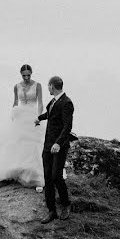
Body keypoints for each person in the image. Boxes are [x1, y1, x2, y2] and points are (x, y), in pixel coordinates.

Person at [0, 64, 45, 186]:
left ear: (31, 74)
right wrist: (13, 115)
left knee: (33, 144)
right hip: (20, 116)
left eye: (28, 75)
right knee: (17, 143)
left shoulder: (37, 86)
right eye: (24, 75)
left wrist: (39, 117)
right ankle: (18, 170)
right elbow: (15, 102)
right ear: (21, 75)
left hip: (33, 116)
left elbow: (40, 104)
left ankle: (33, 174)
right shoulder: (17, 86)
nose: (26, 78)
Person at [36, 76, 74, 223]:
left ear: (52, 86)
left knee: (56, 176)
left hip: (59, 147)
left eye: (48, 86)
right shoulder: (53, 102)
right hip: (47, 145)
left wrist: (58, 143)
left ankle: (65, 204)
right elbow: (50, 115)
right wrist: (39, 118)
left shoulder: (67, 102)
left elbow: (67, 126)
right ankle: (51, 211)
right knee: (47, 178)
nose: (48, 89)